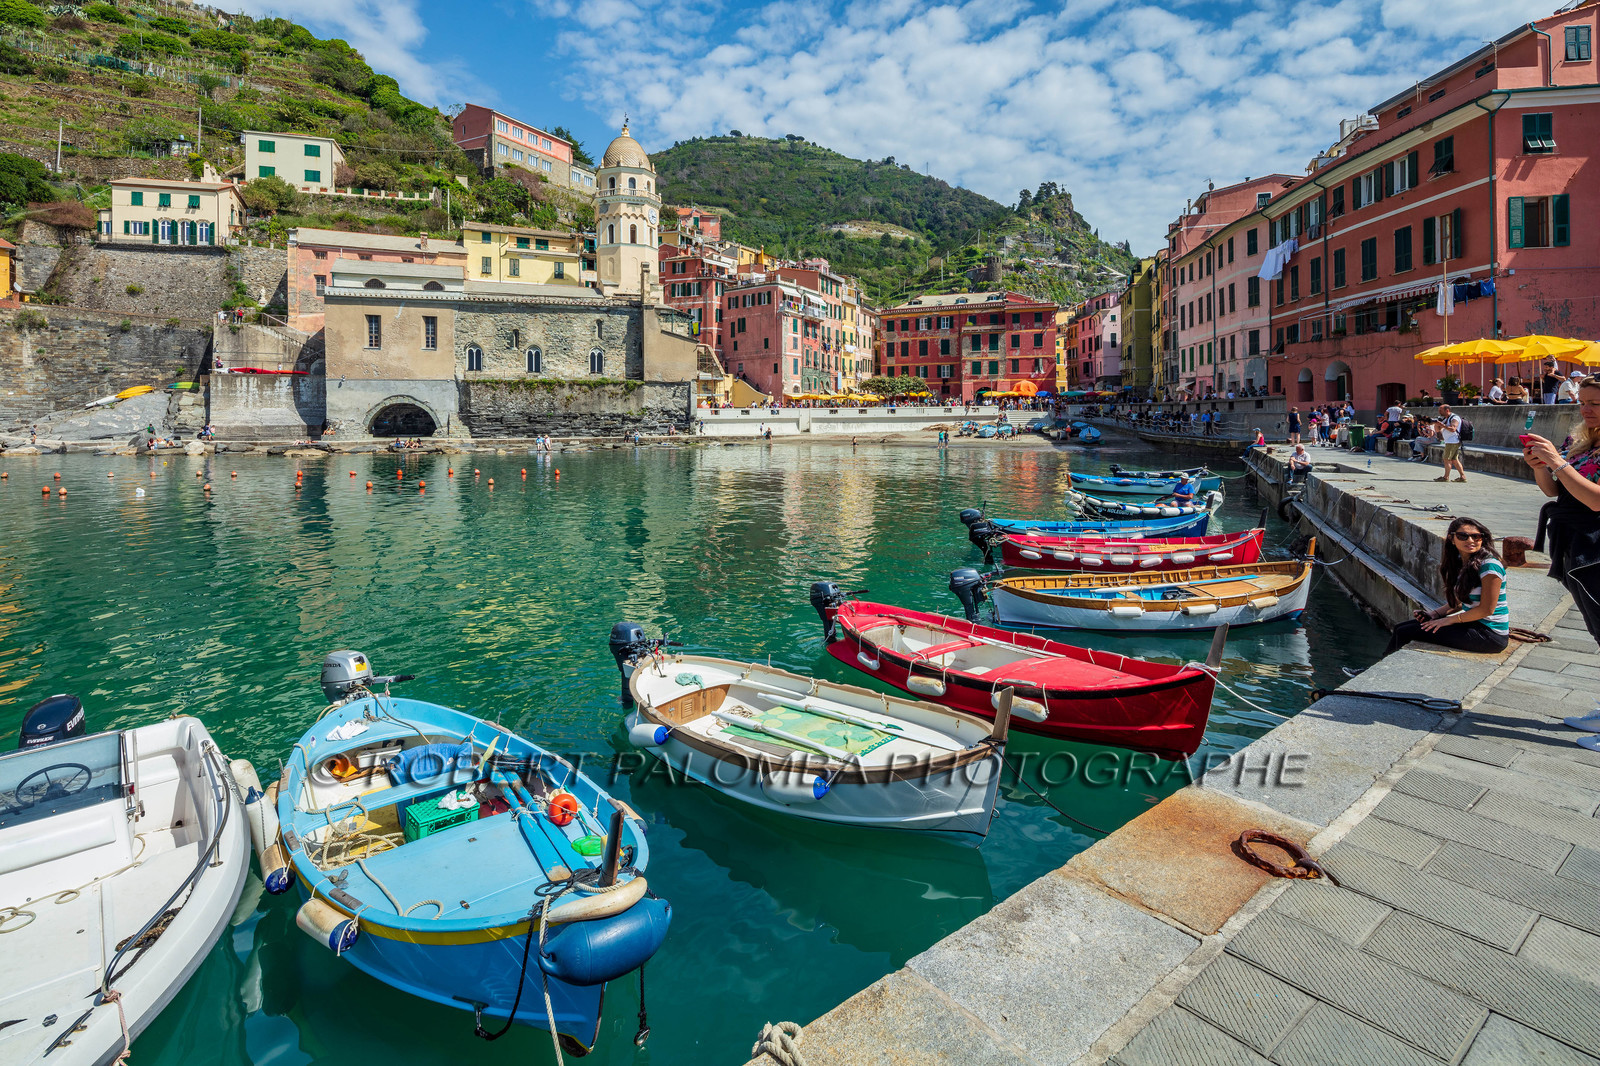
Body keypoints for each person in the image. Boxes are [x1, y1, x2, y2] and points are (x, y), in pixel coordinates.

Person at [1524, 376, 1600, 657]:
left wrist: (1557, 461)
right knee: (1594, 624)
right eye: (1582, 402)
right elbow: (1554, 491)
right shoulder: (1579, 438)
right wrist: (1540, 466)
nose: (1585, 410)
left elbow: (1595, 501)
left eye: (1594, 403)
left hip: (1595, 542)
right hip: (1571, 540)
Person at [1380, 517, 1509, 657]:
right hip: (1472, 624)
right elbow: (1463, 602)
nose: (1470, 541)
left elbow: (1486, 609)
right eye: (1463, 536)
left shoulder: (1490, 566)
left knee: (1406, 633)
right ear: (1452, 539)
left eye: (1476, 536)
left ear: (1482, 539)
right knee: (1400, 628)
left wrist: (1448, 620)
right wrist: (1435, 614)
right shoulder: (1464, 562)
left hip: (1490, 635)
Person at [1435, 404, 1466, 483]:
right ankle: (1462, 477)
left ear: (1447, 410)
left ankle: (1446, 477)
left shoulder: (1454, 418)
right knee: (1454, 460)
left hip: (1452, 442)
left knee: (1446, 459)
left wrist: (1442, 425)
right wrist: (1435, 423)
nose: (1439, 412)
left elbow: (1453, 429)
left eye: (1441, 410)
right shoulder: (1446, 418)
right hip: (1450, 441)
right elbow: (1438, 430)